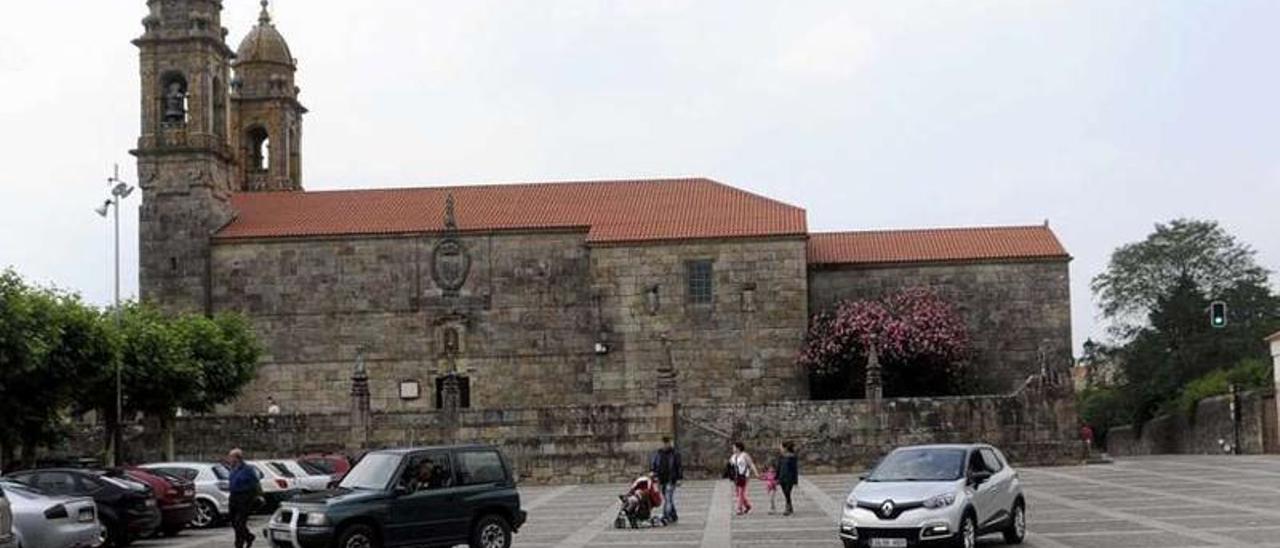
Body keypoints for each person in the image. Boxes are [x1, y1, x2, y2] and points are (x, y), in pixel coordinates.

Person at [227, 448, 260, 548]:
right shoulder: (233, 468)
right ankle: (248, 537)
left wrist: (251, 496)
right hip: (233, 496)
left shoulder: (248, 469)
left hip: (245, 497)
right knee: (233, 521)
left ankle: (239, 544)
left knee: (239, 522)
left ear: (237, 458)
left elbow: (255, 483)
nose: (229, 459)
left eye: (231, 457)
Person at [649, 436, 683, 523]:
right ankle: (673, 515)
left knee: (668, 497)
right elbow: (654, 464)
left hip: (671, 479)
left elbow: (679, 467)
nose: (665, 445)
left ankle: (666, 515)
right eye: (664, 443)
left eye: (667, 443)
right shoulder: (658, 453)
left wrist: (679, 478)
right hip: (660, 479)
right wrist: (652, 472)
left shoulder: (675, 454)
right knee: (668, 498)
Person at [729, 441, 759, 516]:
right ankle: (747, 505)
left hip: (744, 476)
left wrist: (756, 473)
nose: (733, 448)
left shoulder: (745, 455)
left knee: (741, 492)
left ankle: (739, 508)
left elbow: (751, 464)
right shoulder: (733, 456)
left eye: (734, 447)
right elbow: (730, 465)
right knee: (738, 493)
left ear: (738, 448)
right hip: (736, 476)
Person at [776, 441, 799, 516]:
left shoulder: (792, 457)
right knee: (786, 493)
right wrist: (776, 477)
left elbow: (794, 469)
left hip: (789, 477)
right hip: (782, 477)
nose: (780, 448)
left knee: (787, 491)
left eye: (781, 447)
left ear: (785, 448)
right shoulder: (781, 457)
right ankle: (790, 505)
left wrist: (795, 480)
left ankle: (787, 508)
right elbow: (778, 467)